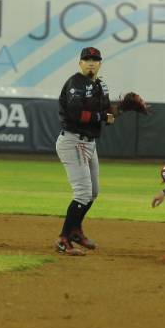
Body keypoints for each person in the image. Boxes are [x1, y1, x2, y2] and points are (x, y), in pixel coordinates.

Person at [54, 47, 115, 256]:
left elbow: (106, 112)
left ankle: (75, 231)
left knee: (93, 193)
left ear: (100, 63)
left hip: (89, 143)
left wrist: (123, 107)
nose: (91, 62)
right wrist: (103, 117)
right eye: (87, 59)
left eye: (95, 59)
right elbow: (75, 113)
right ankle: (63, 239)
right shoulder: (75, 83)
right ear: (80, 63)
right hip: (73, 141)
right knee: (82, 193)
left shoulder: (101, 84)